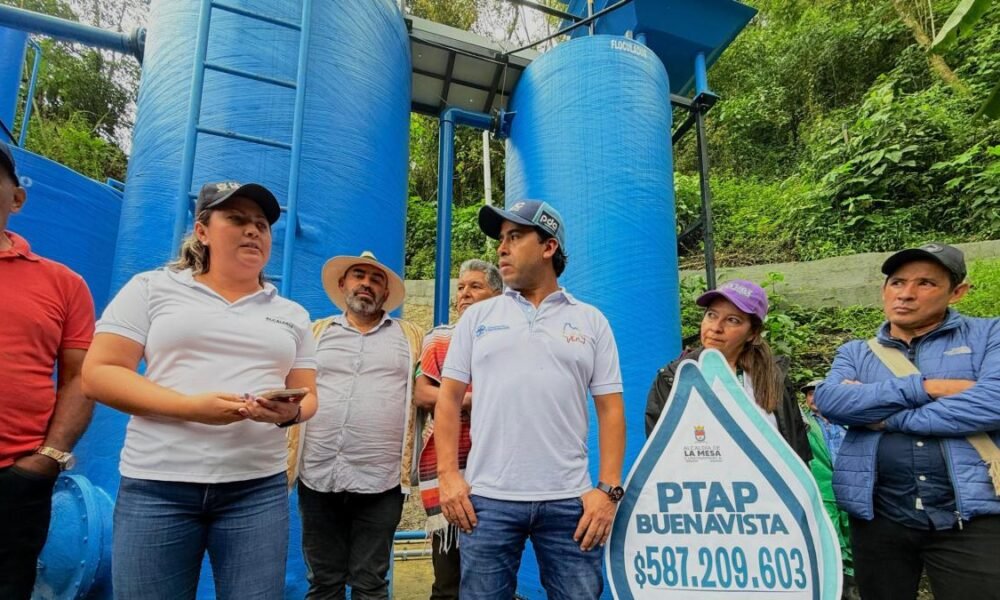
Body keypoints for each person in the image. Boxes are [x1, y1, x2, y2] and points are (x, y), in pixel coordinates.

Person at [81, 181, 318, 599]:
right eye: (237, 219)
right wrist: (190, 407)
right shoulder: (152, 288)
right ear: (202, 232)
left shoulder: (292, 314)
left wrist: (288, 413)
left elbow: (308, 396)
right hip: (157, 485)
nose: (252, 231)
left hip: (256, 489)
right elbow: (100, 372)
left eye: (261, 225)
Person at [435, 200, 626, 600]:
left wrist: (607, 493)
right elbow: (448, 400)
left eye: (515, 237)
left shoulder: (591, 321)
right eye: (501, 239)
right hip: (486, 502)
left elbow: (611, 410)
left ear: (548, 247)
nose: (502, 248)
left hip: (570, 503)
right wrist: (449, 477)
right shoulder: (477, 318)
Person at [815, 242, 1000, 600]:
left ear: (957, 292)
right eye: (897, 283)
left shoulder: (990, 335)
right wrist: (930, 387)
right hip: (879, 516)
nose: (907, 295)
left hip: (971, 515)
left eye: (926, 284)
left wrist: (882, 417)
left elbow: (993, 401)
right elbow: (832, 402)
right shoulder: (856, 352)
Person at [296, 251, 424, 600]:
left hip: (380, 481)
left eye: (375, 278)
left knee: (370, 582)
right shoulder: (314, 333)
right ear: (343, 285)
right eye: (358, 275)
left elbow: (432, 389)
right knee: (323, 581)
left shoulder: (411, 337)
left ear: (385, 294)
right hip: (318, 475)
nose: (366, 283)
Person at [0, 142, 96, 599]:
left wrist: (47, 460)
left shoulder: (63, 284)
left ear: (16, 198)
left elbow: (81, 377)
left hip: (16, 480)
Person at [412, 259, 502, 600]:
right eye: (461, 287)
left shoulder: (513, 340)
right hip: (451, 470)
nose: (464, 293)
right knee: (448, 581)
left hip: (499, 470)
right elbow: (422, 394)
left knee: (494, 576)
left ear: (498, 294)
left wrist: (457, 398)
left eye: (475, 286)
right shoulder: (440, 338)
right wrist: (472, 400)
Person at [645, 279, 812, 463]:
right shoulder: (673, 378)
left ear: (753, 334)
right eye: (711, 315)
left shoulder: (774, 378)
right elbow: (661, 457)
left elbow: (798, 454)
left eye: (732, 320)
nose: (716, 328)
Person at [802, 380, 858, 600]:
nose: (813, 398)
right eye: (809, 395)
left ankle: (854, 583)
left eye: (817, 393)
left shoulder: (848, 421)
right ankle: (839, 586)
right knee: (832, 538)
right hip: (823, 489)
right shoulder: (803, 422)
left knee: (853, 535)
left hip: (851, 488)